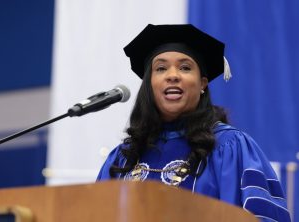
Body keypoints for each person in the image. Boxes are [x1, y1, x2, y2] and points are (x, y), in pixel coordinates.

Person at [97, 24, 291, 222]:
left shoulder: (230, 148)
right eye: (161, 68)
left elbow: (264, 216)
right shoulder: (123, 157)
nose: (172, 75)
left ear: (202, 84)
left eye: (185, 67)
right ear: (150, 84)